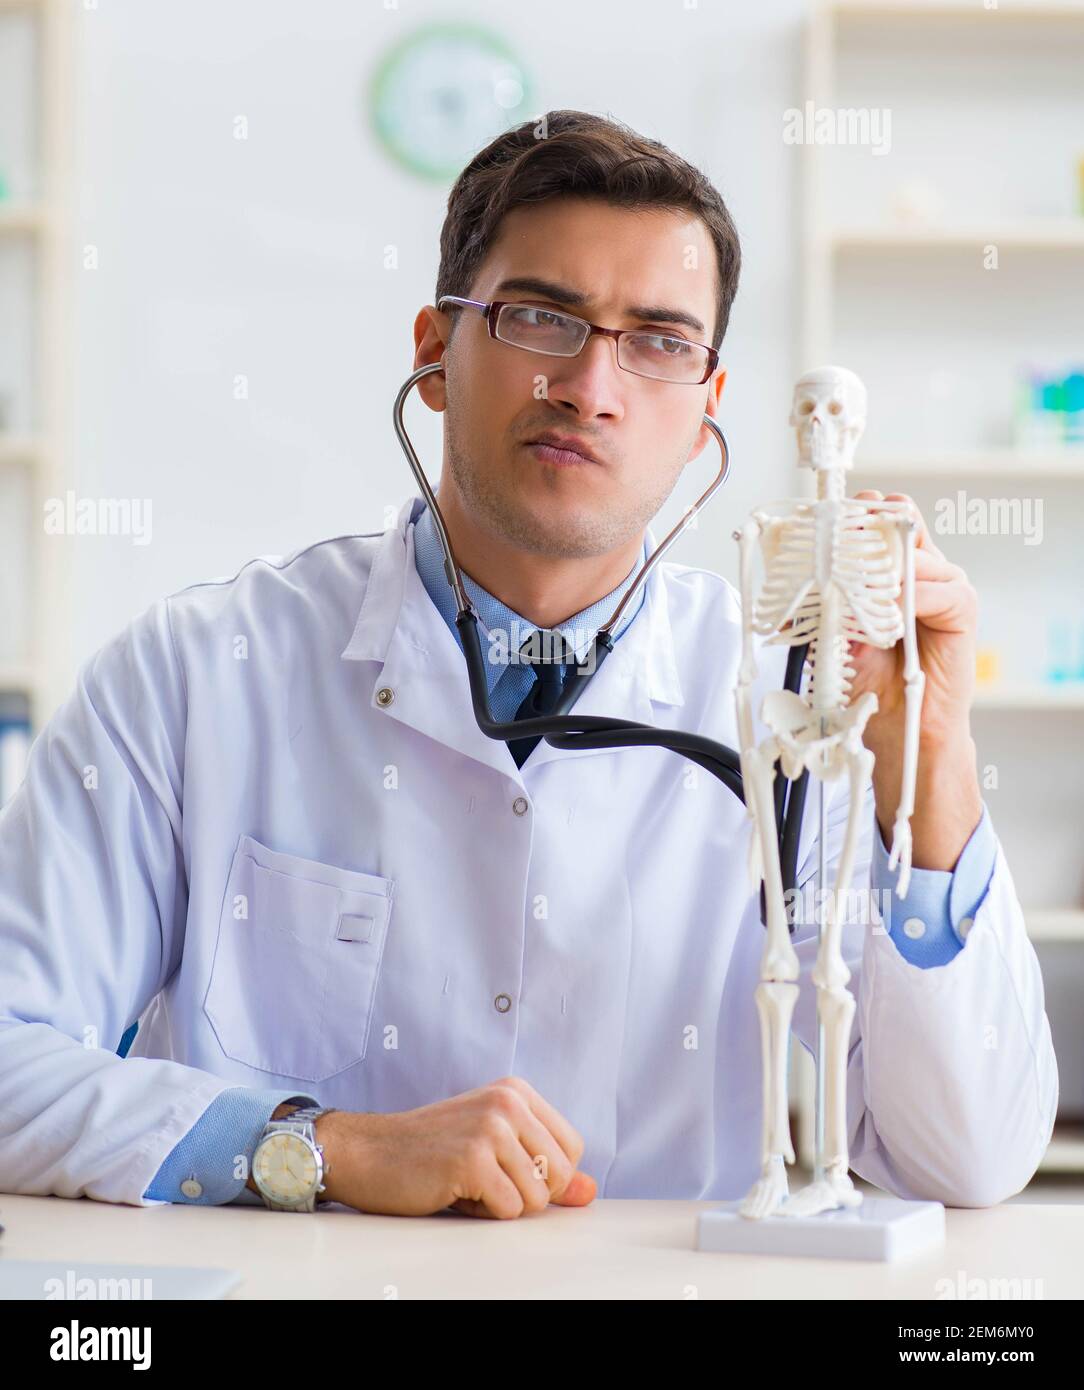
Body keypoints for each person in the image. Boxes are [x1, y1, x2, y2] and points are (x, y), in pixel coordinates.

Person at [0, 110, 1057, 1219]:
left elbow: (966, 1162)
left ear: (706, 413)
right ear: (433, 354)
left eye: (657, 340)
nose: (590, 386)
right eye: (541, 318)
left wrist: (931, 766)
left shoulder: (790, 707)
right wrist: (325, 1151)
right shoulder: (197, 673)